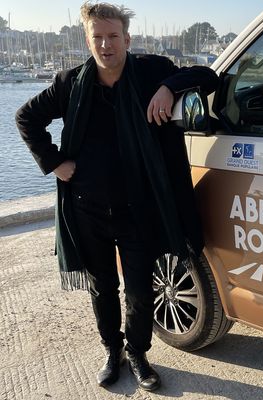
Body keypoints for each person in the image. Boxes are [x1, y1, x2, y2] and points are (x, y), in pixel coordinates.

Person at [15, 2, 218, 392]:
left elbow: (206, 75)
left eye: (113, 37)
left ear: (127, 39)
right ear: (88, 40)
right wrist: (54, 162)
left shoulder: (151, 72)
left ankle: (139, 354)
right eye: (98, 37)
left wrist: (168, 87)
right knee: (102, 287)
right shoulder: (71, 83)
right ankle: (113, 351)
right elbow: (26, 118)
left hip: (138, 209)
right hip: (87, 208)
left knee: (141, 290)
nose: (106, 45)